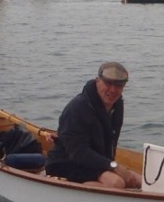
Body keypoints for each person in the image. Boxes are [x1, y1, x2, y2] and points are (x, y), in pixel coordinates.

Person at [44, 62, 143, 190]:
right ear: (97, 81)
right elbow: (78, 153)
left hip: (96, 163)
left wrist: (113, 167)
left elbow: (111, 144)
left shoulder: (117, 105)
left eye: (119, 85)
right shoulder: (76, 108)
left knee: (138, 180)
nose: (113, 90)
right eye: (108, 83)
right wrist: (113, 166)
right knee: (116, 183)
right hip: (66, 164)